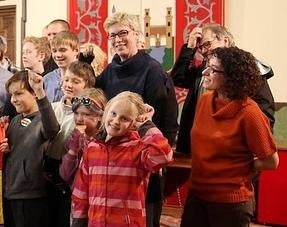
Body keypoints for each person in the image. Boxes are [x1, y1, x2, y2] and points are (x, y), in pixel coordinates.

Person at [95, 12, 178, 227]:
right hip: (113, 162)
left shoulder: (153, 71)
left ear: (137, 35)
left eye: (123, 33)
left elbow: (166, 120)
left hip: (142, 160)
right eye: (112, 35)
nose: (117, 39)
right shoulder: (110, 70)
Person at [180, 47, 279, 227]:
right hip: (197, 194)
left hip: (230, 202)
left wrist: (239, 168)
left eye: (213, 69)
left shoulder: (250, 113)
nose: (205, 72)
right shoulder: (204, 102)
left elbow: (271, 161)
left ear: (232, 77)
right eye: (207, 66)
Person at [71, 92, 173, 227]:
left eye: (125, 118)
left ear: (134, 123)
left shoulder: (139, 148)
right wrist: (78, 222)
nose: (116, 121)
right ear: (106, 112)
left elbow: (164, 156)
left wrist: (146, 124)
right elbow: (81, 192)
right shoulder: (92, 148)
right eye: (113, 113)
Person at [171, 23, 276, 155]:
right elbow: (178, 78)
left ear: (225, 40)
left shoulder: (247, 68)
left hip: (234, 154)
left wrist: (247, 152)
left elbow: (264, 111)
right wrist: (189, 47)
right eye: (200, 48)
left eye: (207, 44)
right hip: (197, 148)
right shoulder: (205, 67)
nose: (203, 51)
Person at [0, 70, 60, 227]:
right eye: (11, 95)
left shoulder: (43, 119)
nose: (13, 99)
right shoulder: (14, 121)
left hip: (32, 195)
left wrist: (40, 92)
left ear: (34, 93)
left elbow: (52, 128)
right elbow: (14, 152)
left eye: (19, 94)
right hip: (10, 193)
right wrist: (5, 149)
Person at [44, 61, 96, 227]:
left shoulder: (87, 116)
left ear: (86, 85)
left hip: (72, 176)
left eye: (75, 81)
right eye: (66, 80)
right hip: (47, 172)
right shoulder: (51, 108)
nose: (68, 84)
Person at [59, 88, 107, 186]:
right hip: (76, 194)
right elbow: (65, 175)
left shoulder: (106, 140)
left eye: (86, 114)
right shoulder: (73, 138)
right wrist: (73, 151)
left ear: (100, 116)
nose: (79, 119)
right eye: (76, 113)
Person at [44, 31, 79, 102]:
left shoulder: (86, 76)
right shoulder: (47, 79)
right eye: (54, 51)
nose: (58, 55)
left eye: (63, 50)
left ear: (76, 50)